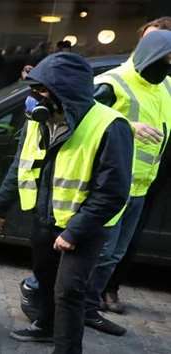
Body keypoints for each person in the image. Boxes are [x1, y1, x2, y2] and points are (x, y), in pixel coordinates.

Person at [0, 52, 133, 354]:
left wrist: (74, 231)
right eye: (33, 89)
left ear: (64, 92)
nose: (34, 97)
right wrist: (1, 207)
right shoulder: (37, 121)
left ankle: (67, 349)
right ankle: (45, 326)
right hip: (45, 218)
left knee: (68, 291)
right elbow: (21, 165)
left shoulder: (110, 125)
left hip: (84, 226)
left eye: (41, 90)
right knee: (44, 278)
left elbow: (113, 191)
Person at [82, 29, 171, 335]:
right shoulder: (112, 82)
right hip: (112, 185)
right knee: (97, 252)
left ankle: (87, 308)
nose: (169, 66)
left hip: (142, 186)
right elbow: (83, 116)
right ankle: (65, 305)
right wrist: (130, 127)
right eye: (167, 59)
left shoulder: (166, 86)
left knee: (114, 255)